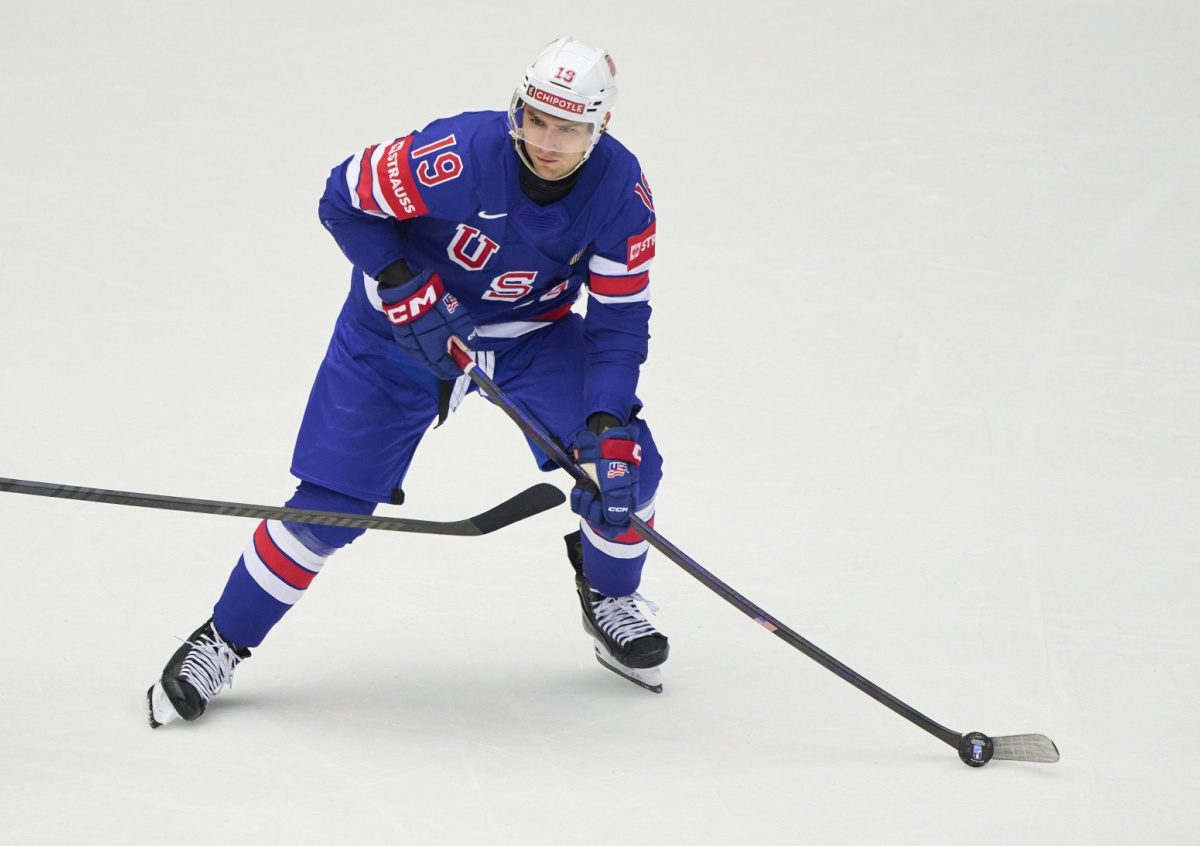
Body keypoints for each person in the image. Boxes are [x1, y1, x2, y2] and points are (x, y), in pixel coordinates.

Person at [147, 37, 669, 728]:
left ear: (600, 127)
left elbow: (619, 323)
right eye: (536, 118)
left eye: (567, 129)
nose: (545, 141)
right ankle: (222, 639)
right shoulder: (455, 154)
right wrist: (401, 283)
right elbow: (342, 198)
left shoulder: (623, 194)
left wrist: (606, 423)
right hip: (399, 333)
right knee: (330, 505)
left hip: (533, 335)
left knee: (627, 468)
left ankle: (609, 595)